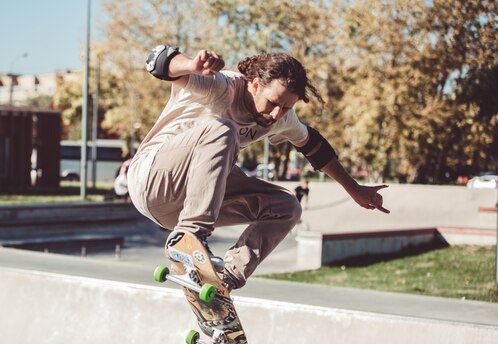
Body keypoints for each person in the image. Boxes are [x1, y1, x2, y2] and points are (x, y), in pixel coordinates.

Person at [127, 46, 389, 292]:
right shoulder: (221, 86)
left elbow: (314, 147)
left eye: (287, 107)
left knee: (286, 207)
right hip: (152, 179)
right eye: (274, 102)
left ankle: (224, 280)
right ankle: (191, 237)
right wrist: (191, 65)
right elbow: (158, 60)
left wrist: (354, 189)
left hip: (182, 205)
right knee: (223, 130)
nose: (277, 114)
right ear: (254, 85)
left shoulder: (282, 118)